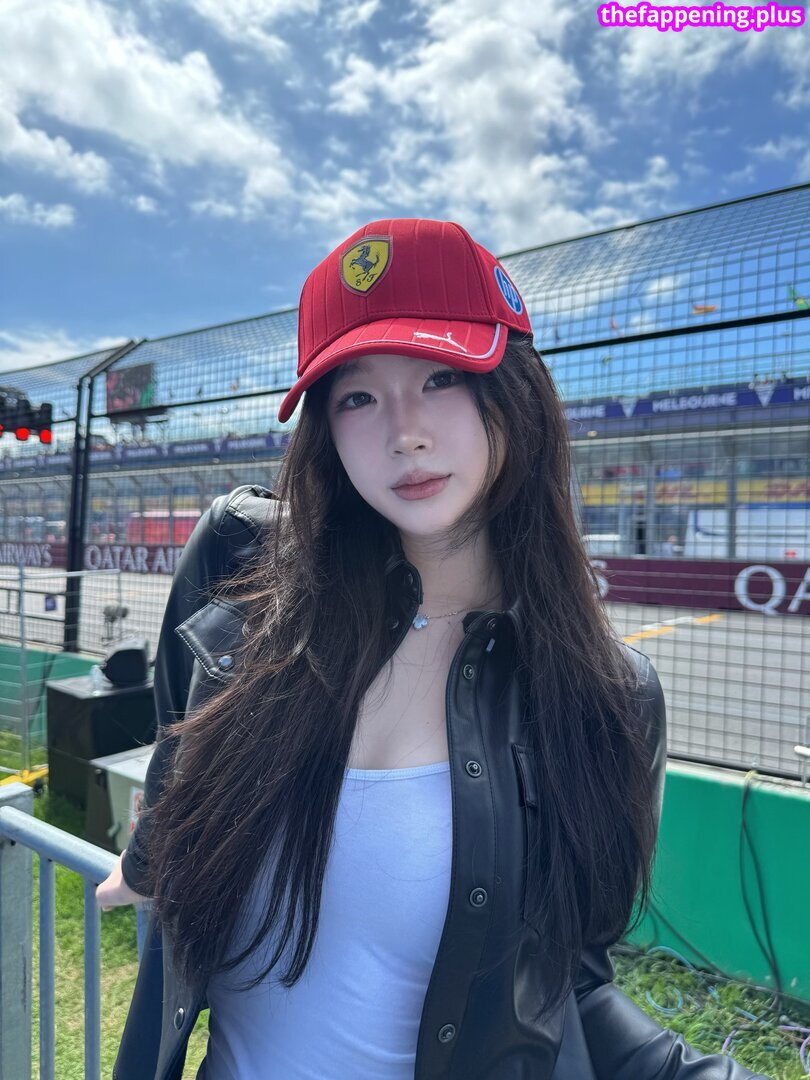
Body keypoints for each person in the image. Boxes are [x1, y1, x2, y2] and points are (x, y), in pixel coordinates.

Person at [97, 218, 769, 1080]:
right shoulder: (241, 560)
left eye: (441, 377)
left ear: (515, 393)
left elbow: (567, 988)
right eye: (357, 397)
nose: (403, 432)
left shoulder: (606, 695)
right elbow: (183, 733)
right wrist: (149, 856)